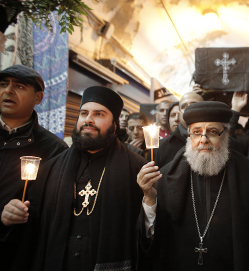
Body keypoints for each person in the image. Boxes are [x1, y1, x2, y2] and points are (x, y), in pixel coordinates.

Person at [1, 86, 147, 270]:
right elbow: (32, 229)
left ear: (115, 125)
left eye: (99, 114)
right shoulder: (51, 168)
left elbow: (147, 232)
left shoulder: (136, 169)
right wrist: (12, 215)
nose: (88, 120)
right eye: (84, 113)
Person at [137, 101, 249, 271]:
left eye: (212, 132)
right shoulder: (166, 176)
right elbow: (154, 237)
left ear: (225, 134)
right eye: (196, 132)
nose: (203, 140)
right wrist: (149, 198)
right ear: (189, 136)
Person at [0, 65, 68, 270]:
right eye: (3, 84)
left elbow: (54, 209)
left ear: (38, 98)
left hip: (17, 255)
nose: (8, 91)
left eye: (19, 86)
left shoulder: (54, 149)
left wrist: (21, 212)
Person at [151, 92, 204, 167]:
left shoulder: (217, 141)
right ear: (180, 112)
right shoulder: (161, 148)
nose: (188, 109)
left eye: (193, 105)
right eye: (184, 106)